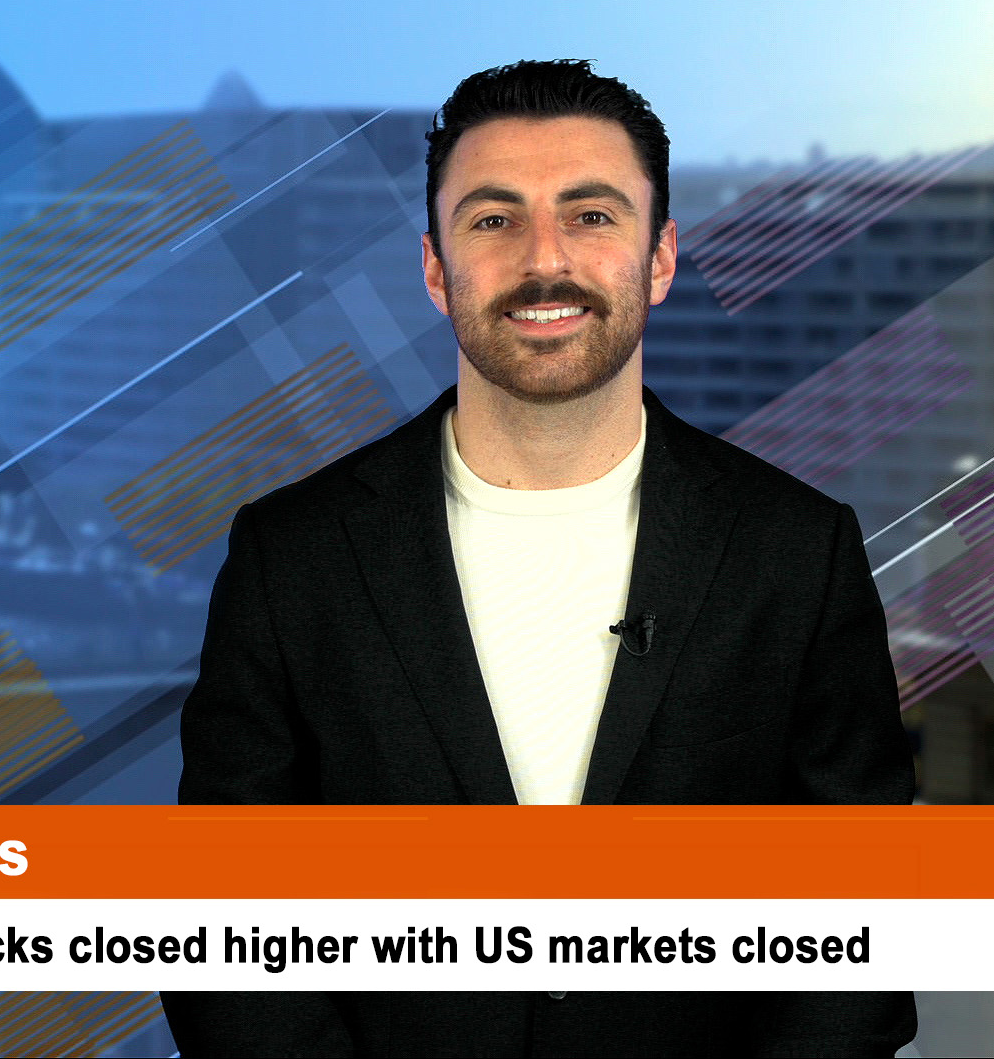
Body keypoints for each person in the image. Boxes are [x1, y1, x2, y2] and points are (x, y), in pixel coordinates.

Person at [162, 59, 916, 1057]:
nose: (544, 258)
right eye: (493, 219)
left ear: (660, 258)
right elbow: (224, 931)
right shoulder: (291, 558)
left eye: (592, 215)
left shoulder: (797, 552)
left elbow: (859, 931)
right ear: (436, 270)